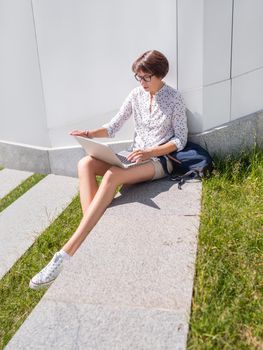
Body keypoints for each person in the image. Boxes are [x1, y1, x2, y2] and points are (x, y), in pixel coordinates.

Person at [29, 50, 188, 290]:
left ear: (159, 74)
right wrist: (89, 134)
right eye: (138, 77)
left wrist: (151, 152)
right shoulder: (136, 95)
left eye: (146, 78)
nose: (142, 83)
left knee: (113, 175)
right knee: (86, 163)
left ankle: (66, 254)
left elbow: (180, 140)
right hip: (132, 156)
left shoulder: (174, 99)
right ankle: (90, 235)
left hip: (159, 161)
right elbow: (113, 126)